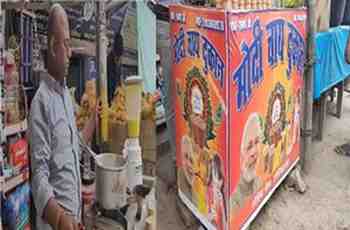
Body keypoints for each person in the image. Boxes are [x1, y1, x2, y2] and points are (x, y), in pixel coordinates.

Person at [29, 4, 101, 230]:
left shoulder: (65, 99)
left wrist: (93, 120)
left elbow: (74, 147)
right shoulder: (41, 102)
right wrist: (60, 218)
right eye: (67, 44)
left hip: (76, 218)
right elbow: (39, 175)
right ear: (52, 46)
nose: (70, 53)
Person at [230, 113, 263, 213]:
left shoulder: (259, 181)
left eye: (257, 142)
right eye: (248, 147)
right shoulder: (232, 202)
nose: (254, 152)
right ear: (239, 155)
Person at [107, 32, 123, 104]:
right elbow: (110, 81)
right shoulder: (109, 59)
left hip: (115, 93)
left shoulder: (115, 58)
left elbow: (118, 78)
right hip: (110, 94)